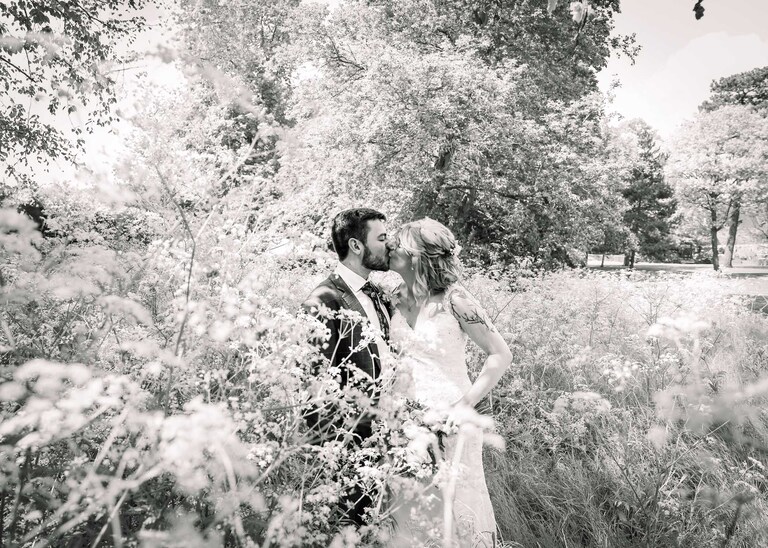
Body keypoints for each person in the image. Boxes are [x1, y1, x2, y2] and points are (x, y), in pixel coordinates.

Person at [386, 217, 512, 547]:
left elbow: (500, 355)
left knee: (456, 504)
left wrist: (465, 404)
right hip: (404, 421)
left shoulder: (455, 300)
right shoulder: (394, 297)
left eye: (397, 245)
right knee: (412, 507)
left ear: (417, 255)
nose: (390, 249)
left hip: (451, 421)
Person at [301, 207, 394, 527]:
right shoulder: (324, 299)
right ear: (357, 246)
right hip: (348, 441)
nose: (389, 244)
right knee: (346, 528)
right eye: (381, 238)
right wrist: (333, 455)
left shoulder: (378, 294)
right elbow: (315, 383)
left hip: (384, 433)